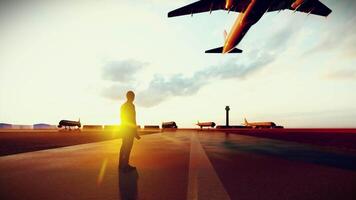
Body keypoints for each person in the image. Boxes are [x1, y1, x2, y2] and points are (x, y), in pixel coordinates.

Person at [119, 91, 141, 172]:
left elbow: (122, 118)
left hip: (123, 129)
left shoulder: (123, 106)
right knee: (127, 148)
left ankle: (121, 164)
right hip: (129, 130)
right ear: (131, 97)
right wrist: (135, 132)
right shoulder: (131, 106)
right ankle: (125, 166)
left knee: (123, 147)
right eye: (133, 96)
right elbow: (132, 119)